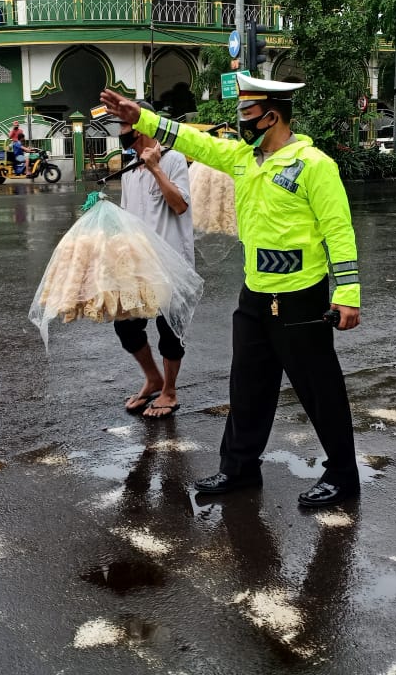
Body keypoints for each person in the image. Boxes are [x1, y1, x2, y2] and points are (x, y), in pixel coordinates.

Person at [100, 73, 362, 509]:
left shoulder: (313, 165)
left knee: (319, 389)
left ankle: (342, 474)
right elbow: (194, 141)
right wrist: (141, 117)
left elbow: (339, 230)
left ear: (272, 116)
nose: (240, 122)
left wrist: (348, 293)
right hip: (255, 294)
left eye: (247, 113)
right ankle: (240, 468)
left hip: (300, 297)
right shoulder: (244, 158)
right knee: (247, 387)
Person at [116, 100, 195, 420]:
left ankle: (170, 392)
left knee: (170, 330)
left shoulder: (173, 159)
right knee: (125, 325)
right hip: (139, 266)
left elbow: (180, 205)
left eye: (125, 125)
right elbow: (127, 219)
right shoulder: (128, 171)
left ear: (142, 126)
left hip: (173, 263)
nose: (121, 131)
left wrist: (156, 168)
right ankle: (153, 379)